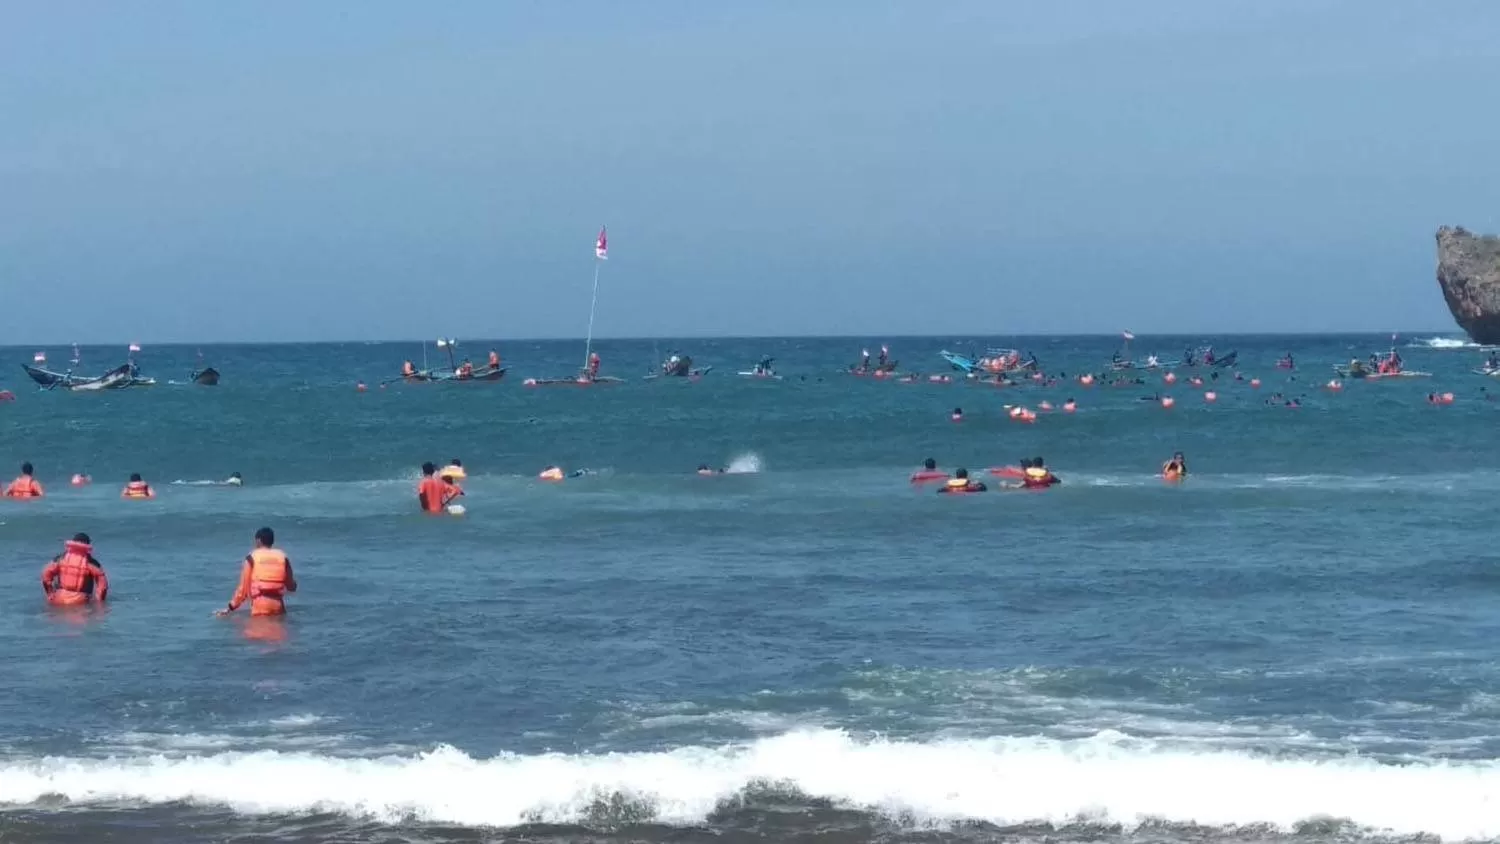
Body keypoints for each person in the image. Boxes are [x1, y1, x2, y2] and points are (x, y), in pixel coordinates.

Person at [216, 527, 296, 617]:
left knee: (258, 630)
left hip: (260, 607)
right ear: (272, 541)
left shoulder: (251, 558)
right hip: (278, 606)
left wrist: (230, 608)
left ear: (258, 541)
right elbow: (291, 587)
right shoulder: (283, 558)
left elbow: (243, 590)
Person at [42, 533, 108, 606]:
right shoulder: (91, 562)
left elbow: (45, 575)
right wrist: (100, 602)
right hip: (80, 601)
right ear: (87, 544)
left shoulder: (60, 558)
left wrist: (50, 593)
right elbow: (103, 586)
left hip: (59, 599)